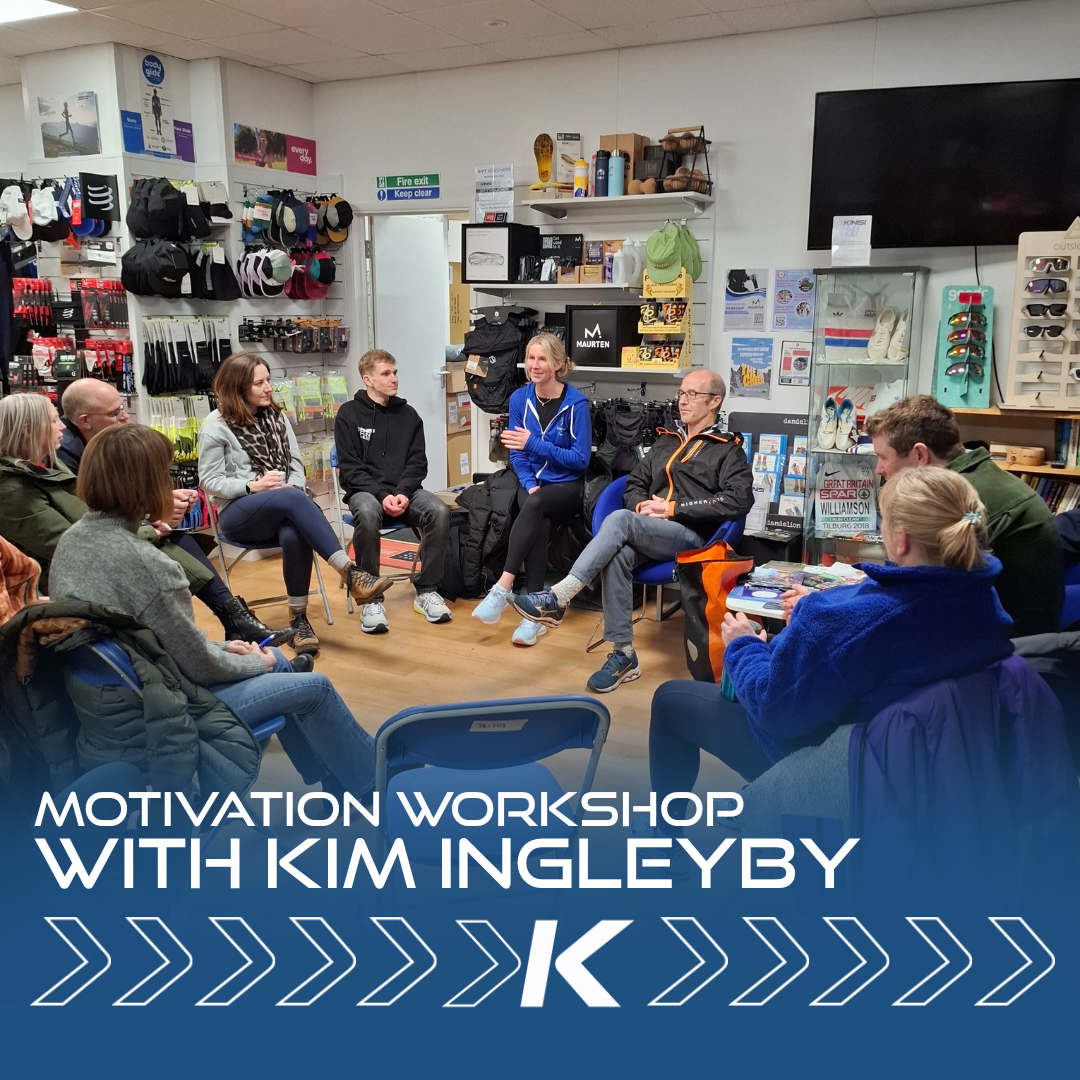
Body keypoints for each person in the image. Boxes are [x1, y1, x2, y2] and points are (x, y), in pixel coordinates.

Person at [647, 467, 1015, 830]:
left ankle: (666, 839)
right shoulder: (982, 599)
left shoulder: (858, 623)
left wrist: (741, 646)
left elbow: (774, 708)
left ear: (900, 540)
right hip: (925, 761)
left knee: (669, 700)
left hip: (834, 761)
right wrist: (821, 607)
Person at [49, 423, 381, 797]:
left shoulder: (73, 541)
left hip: (109, 708)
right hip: (158, 716)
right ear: (146, 486)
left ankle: (335, 778)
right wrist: (256, 662)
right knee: (312, 684)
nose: (171, 485)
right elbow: (198, 668)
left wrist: (230, 649)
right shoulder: (149, 564)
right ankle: (375, 785)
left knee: (279, 660)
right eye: (164, 475)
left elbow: (158, 643)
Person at [514, 368, 754, 690]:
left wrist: (671, 509)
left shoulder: (728, 449)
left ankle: (560, 596)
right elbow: (635, 483)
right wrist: (642, 507)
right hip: (646, 529)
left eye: (691, 395)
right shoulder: (666, 441)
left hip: (693, 537)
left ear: (714, 402)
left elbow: (738, 500)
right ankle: (623, 654)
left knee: (621, 522)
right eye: (680, 394)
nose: (682, 401)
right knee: (619, 552)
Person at [57, 377, 286, 644]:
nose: (125, 417)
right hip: (103, 548)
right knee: (179, 544)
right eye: (115, 412)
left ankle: (237, 620)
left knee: (183, 540)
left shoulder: (97, 445)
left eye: (123, 408)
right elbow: (92, 519)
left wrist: (160, 504)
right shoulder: (66, 458)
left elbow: (112, 505)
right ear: (84, 420)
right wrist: (151, 521)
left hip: (115, 537)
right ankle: (236, 621)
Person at [199, 352, 390, 655]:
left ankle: (298, 621)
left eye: (268, 380)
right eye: (259, 383)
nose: (269, 388)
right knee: (292, 500)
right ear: (238, 388)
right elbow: (209, 481)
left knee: (294, 528)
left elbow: (297, 464)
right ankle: (350, 573)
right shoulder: (216, 424)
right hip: (239, 513)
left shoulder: (276, 417)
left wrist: (295, 485)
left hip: (283, 506)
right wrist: (252, 485)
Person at [867, 394, 1063, 636]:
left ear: (920, 455)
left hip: (1003, 649)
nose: (879, 469)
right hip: (1013, 639)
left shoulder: (952, 502)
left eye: (883, 457)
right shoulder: (977, 476)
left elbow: (919, 601)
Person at [0, 394, 214, 604]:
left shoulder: (49, 464)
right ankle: (230, 617)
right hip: (67, 574)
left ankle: (231, 615)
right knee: (160, 559)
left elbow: (95, 510)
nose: (62, 426)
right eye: (54, 420)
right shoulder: (12, 487)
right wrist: (147, 531)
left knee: (171, 544)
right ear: (27, 430)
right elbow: (67, 543)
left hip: (92, 554)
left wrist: (148, 516)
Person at [472, 332, 591, 646]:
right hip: (533, 484)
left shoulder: (576, 403)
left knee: (535, 507)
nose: (535, 365)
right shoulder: (519, 399)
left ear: (558, 363)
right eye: (531, 358)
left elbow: (579, 461)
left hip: (567, 486)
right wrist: (529, 484)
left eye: (542, 359)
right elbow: (517, 454)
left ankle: (503, 587)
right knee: (537, 514)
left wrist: (534, 443)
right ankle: (533, 616)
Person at [334, 348, 451, 634]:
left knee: (439, 510)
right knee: (368, 511)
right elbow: (350, 469)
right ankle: (371, 597)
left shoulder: (409, 415)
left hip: (405, 491)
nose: (394, 378)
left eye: (395, 372)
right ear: (368, 379)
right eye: (386, 373)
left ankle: (426, 590)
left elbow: (417, 463)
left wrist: (401, 492)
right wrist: (381, 494)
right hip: (364, 491)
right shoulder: (348, 414)